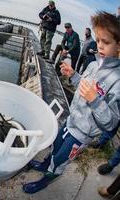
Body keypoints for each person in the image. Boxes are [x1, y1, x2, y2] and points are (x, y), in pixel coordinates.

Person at [23, 11, 120, 194]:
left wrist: (95, 100)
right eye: (98, 40)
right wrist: (74, 75)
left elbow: (111, 122)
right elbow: (83, 87)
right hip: (70, 121)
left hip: (82, 133)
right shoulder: (92, 65)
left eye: (105, 42)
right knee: (55, 146)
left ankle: (46, 180)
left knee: (61, 160)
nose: (99, 46)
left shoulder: (117, 81)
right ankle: (45, 165)